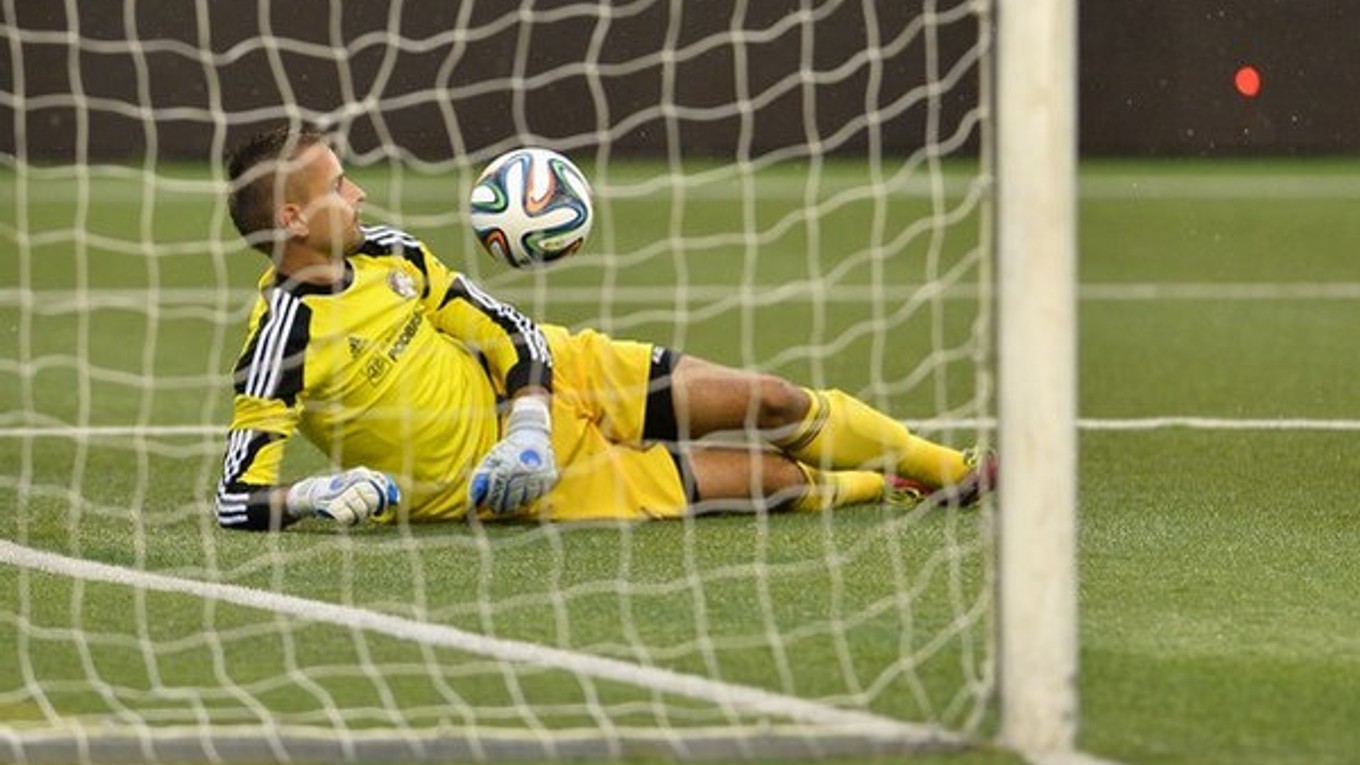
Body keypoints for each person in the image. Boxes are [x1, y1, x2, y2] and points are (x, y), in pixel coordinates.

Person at [214, 124, 995, 531]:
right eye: (337, 185)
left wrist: (528, 420)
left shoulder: (394, 254)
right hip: (524, 487)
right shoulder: (279, 342)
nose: (358, 194)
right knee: (778, 482)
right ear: (293, 217)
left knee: (774, 399)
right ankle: (883, 486)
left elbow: (507, 329)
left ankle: (954, 466)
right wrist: (318, 495)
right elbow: (235, 499)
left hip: (562, 374)